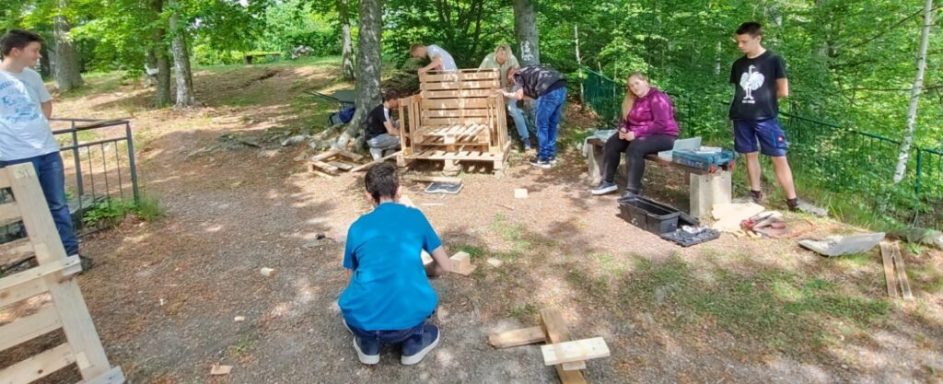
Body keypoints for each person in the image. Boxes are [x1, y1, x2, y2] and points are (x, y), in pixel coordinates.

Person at [339, 162, 452, 365]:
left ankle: (368, 344)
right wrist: (425, 270)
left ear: (368, 195)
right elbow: (445, 265)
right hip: (407, 322)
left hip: (364, 321)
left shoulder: (357, 227)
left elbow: (351, 278)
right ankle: (413, 344)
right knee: (418, 314)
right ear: (399, 191)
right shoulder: (415, 217)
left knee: (359, 313)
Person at [0, 29, 90, 270]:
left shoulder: (32, 77)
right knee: (29, 210)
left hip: (47, 151)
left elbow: (46, 103)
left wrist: (38, 126)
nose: (38, 56)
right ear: (15, 51)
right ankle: (45, 260)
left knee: (58, 205)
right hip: (14, 156)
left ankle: (70, 256)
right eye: (34, 51)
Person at [729, 21, 799, 211]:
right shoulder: (738, 64)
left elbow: (783, 91)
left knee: (778, 156)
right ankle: (755, 193)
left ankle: (792, 201)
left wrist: (764, 99)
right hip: (741, 116)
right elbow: (739, 90)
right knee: (749, 154)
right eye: (738, 41)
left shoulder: (773, 60)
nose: (740, 45)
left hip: (766, 118)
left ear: (757, 38)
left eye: (744, 41)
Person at [591, 73, 679, 201]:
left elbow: (661, 124)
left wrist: (636, 133)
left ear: (645, 82)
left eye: (637, 83)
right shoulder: (632, 99)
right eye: (631, 85)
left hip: (664, 136)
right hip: (638, 135)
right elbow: (624, 119)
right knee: (612, 142)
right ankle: (607, 182)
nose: (634, 87)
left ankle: (632, 191)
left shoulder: (658, 97)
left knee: (635, 148)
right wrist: (623, 129)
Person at [499, 66, 567, 168]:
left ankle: (543, 159)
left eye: (510, 79)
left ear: (511, 74)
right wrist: (514, 95)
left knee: (542, 125)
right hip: (561, 87)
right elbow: (526, 96)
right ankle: (550, 156)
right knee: (552, 124)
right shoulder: (530, 75)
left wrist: (505, 93)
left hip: (548, 90)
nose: (513, 82)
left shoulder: (517, 74)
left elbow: (519, 96)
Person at [479, 44, 532, 151]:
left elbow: (518, 75)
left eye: (506, 54)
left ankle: (526, 139)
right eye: (501, 53)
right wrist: (488, 86)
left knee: (513, 109)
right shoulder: (488, 59)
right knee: (493, 111)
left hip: (510, 88)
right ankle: (498, 137)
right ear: (496, 52)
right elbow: (479, 74)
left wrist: (510, 82)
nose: (504, 55)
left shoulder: (512, 59)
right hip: (494, 90)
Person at [364, 91, 401, 160]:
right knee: (402, 140)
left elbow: (391, 126)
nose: (398, 103)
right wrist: (405, 134)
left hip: (379, 136)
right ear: (392, 100)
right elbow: (391, 131)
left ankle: (388, 152)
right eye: (397, 101)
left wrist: (397, 125)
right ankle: (376, 148)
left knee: (398, 129)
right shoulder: (383, 111)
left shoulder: (387, 110)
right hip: (374, 139)